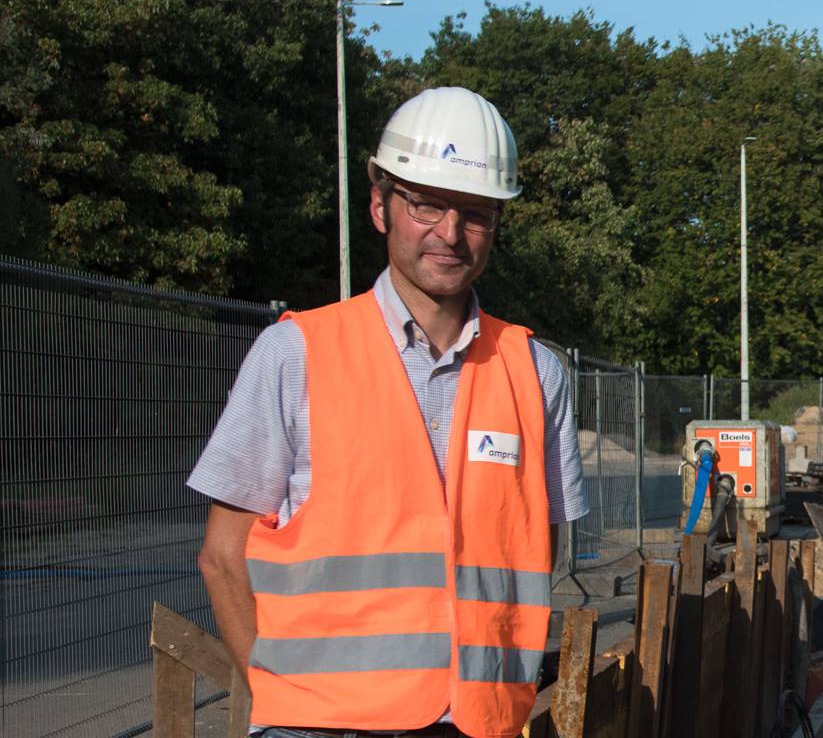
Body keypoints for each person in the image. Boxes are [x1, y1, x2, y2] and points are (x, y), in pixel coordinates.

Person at [191, 87, 588, 738]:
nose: (450, 234)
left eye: (475, 213)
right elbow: (222, 557)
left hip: (473, 723)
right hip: (316, 727)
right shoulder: (296, 354)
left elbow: (532, 556)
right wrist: (277, 696)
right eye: (427, 204)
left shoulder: (535, 372)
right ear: (380, 205)